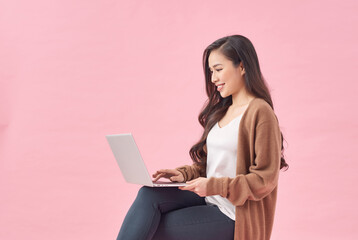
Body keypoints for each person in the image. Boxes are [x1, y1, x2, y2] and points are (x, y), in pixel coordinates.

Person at [116, 34, 289, 240]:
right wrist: (184, 174)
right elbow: (213, 165)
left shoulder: (260, 112)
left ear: (242, 67)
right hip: (210, 198)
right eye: (210, 72)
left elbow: (264, 179)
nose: (213, 78)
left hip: (234, 215)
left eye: (218, 70)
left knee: (153, 225)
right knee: (148, 195)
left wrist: (214, 186)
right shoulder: (222, 111)